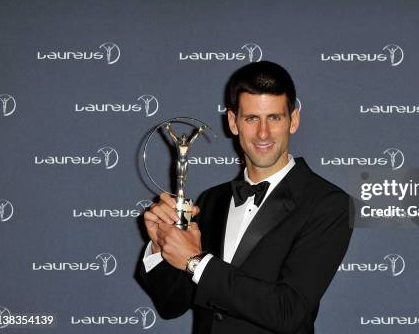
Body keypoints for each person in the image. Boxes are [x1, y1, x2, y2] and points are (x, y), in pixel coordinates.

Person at [139, 61, 353, 334]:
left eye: (274, 118)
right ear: (233, 122)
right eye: (252, 118)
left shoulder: (327, 203)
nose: (263, 133)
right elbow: (173, 305)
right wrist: (161, 245)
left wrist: (196, 261)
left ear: (294, 120)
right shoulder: (212, 200)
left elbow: (289, 312)